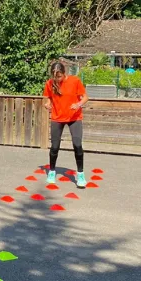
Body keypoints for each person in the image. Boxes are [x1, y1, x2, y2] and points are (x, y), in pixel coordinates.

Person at [43, 61, 89, 189]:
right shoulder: (50, 83)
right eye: (55, 77)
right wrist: (48, 104)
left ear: (64, 73)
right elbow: (49, 98)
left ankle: (80, 174)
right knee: (54, 146)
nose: (57, 79)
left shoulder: (75, 81)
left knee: (77, 144)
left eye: (59, 76)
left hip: (74, 117)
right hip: (57, 117)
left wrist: (78, 104)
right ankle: (52, 172)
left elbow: (85, 97)